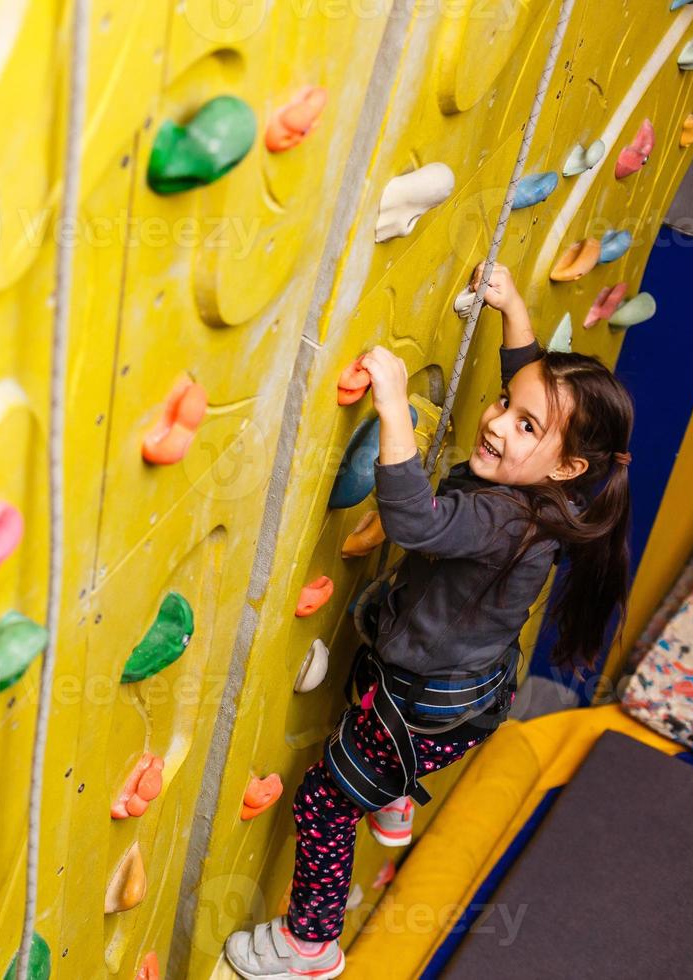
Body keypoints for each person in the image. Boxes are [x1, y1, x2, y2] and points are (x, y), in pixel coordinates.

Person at [224, 263, 637, 979]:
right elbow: (533, 382)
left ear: (566, 465)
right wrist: (512, 312)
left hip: (421, 709)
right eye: (506, 403)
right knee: (368, 667)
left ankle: (311, 945)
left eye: (525, 424)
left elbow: (415, 521)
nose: (498, 422)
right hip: (464, 694)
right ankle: (391, 799)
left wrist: (391, 406)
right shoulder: (549, 496)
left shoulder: (502, 519)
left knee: (324, 801)